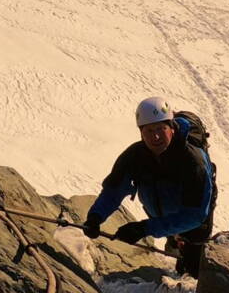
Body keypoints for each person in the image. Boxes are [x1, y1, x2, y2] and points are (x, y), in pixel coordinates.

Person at [84, 97, 216, 277]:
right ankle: (176, 245)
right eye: (149, 130)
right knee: (178, 250)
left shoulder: (193, 161)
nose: (155, 137)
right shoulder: (134, 156)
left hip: (193, 221)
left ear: (171, 127)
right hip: (162, 215)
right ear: (141, 132)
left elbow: (195, 215)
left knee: (194, 266)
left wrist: (145, 228)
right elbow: (114, 191)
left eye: (161, 129)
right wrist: (95, 217)